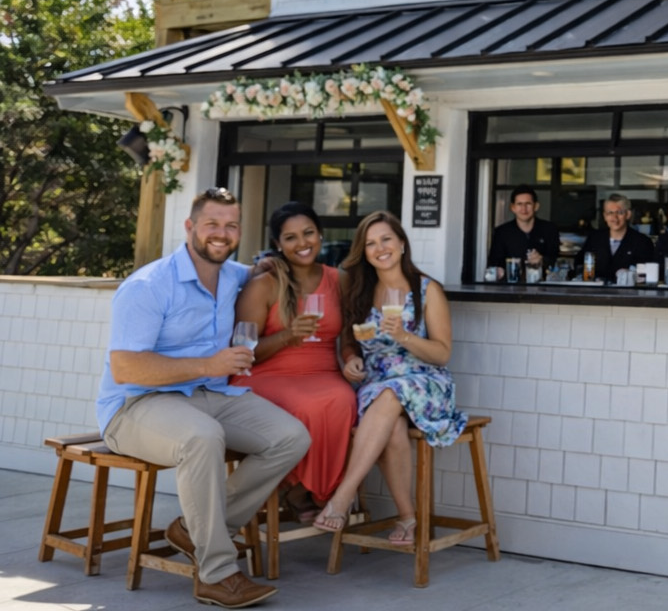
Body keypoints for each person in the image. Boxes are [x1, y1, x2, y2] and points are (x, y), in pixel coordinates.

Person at [96, 187, 309, 609]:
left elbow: (259, 269)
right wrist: (208, 365)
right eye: (212, 224)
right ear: (190, 227)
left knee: (291, 437)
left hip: (208, 395)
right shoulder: (148, 285)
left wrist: (269, 263)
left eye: (231, 226)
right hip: (136, 406)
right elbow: (126, 369)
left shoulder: (234, 275)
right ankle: (217, 574)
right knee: (202, 437)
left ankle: (193, 531)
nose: (221, 233)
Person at [315, 212, 467, 548]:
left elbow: (442, 354)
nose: (379, 248)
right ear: (364, 251)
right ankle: (407, 517)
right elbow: (349, 339)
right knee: (391, 423)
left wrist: (404, 336)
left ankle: (342, 496)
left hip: (425, 381)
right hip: (379, 383)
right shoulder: (360, 290)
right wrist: (350, 359)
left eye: (385, 239)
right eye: (370, 243)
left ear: (401, 243)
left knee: (389, 394)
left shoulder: (428, 290)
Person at [235, 201, 357, 522]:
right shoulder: (265, 284)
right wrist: (288, 335)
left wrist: (350, 359)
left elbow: (347, 336)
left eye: (308, 233)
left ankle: (301, 490)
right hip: (266, 373)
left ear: (320, 235)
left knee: (344, 399)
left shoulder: (338, 280)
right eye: (290, 238)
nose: (302, 243)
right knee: (306, 405)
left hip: (322, 372)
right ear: (277, 243)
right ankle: (296, 486)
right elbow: (243, 353)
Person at [485, 184, 560, 279]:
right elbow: (494, 265)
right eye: (519, 204)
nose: (524, 209)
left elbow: (556, 261)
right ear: (513, 208)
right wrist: (498, 272)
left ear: (536, 206)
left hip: (543, 289)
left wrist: (542, 261)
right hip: (510, 289)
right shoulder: (502, 232)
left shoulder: (550, 229)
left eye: (528, 204)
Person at [578, 193, 656, 282]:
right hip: (597, 293)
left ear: (628, 214)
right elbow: (580, 266)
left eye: (619, 212)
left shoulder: (642, 242)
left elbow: (646, 276)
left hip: (629, 294)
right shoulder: (594, 239)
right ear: (605, 216)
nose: (614, 217)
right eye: (610, 213)